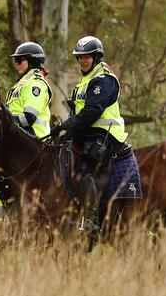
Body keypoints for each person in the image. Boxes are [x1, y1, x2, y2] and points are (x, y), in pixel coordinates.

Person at [49, 35, 130, 231]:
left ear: (96, 57)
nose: (83, 60)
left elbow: (92, 113)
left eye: (87, 57)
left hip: (105, 132)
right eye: (80, 57)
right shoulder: (85, 79)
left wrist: (65, 124)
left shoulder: (103, 79)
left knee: (85, 166)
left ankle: (90, 220)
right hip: (87, 131)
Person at [0, 41, 53, 221]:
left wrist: (3, 124)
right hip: (15, 142)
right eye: (15, 60)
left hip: (34, 141)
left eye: (19, 60)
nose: (16, 64)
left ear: (31, 62)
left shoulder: (35, 84)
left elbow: (29, 117)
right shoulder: (19, 85)